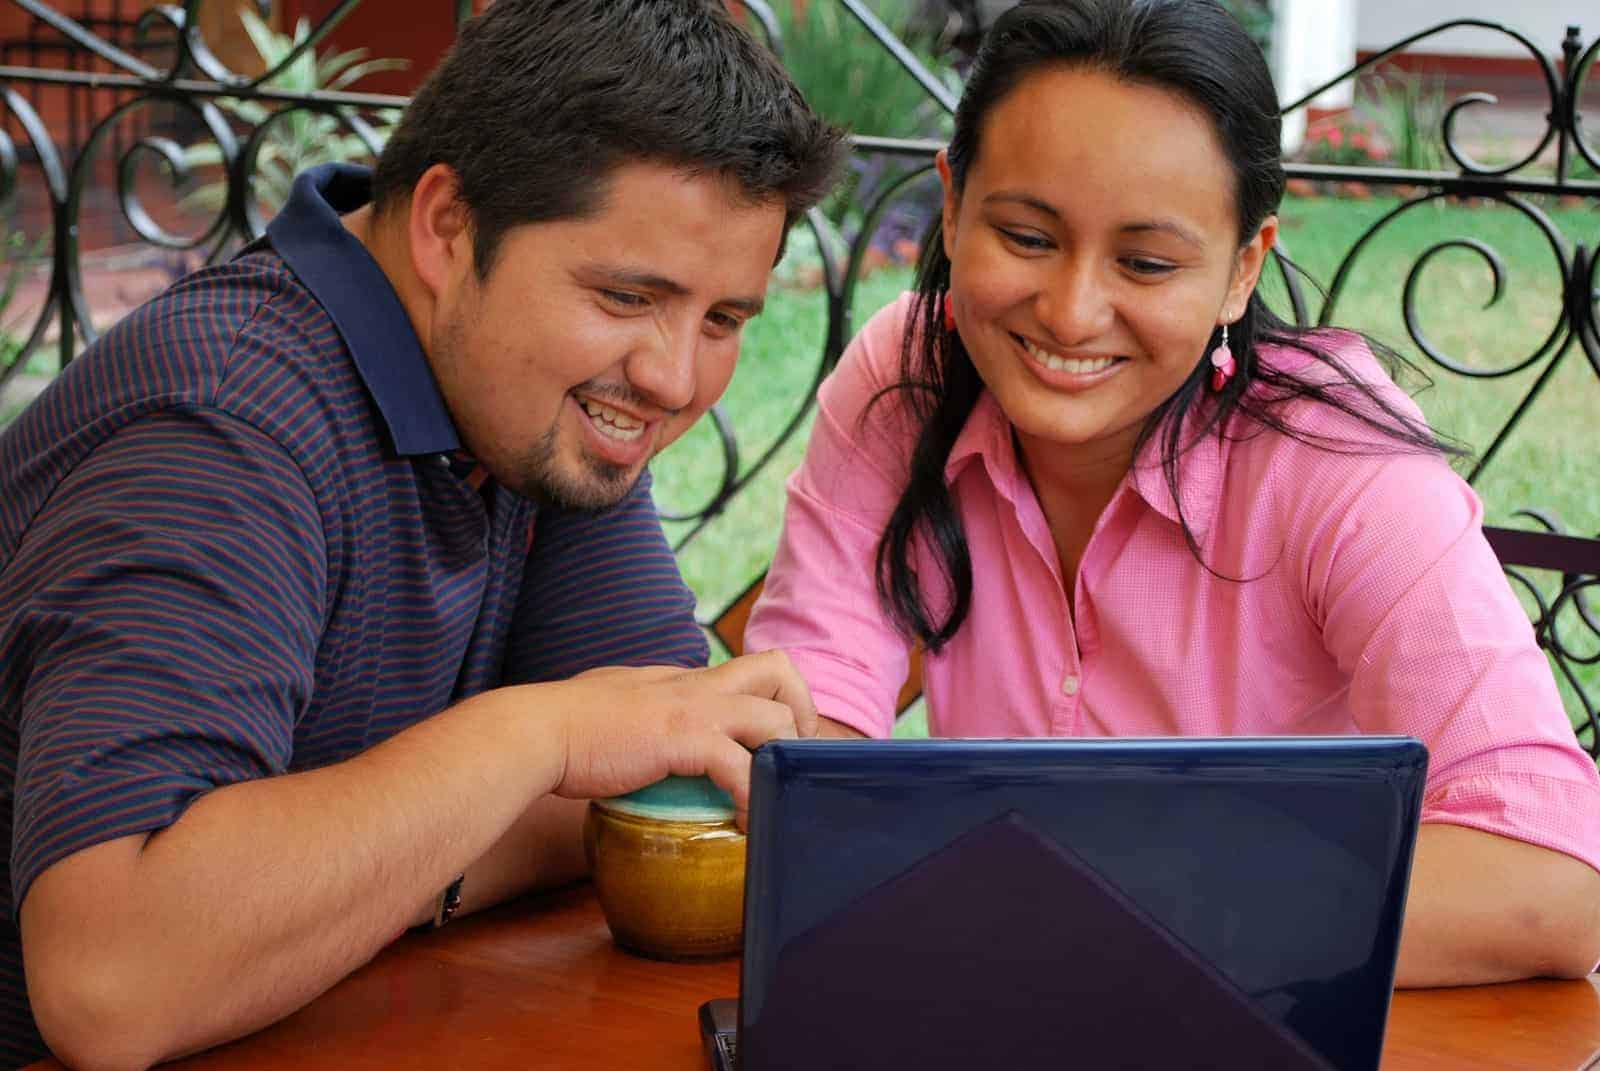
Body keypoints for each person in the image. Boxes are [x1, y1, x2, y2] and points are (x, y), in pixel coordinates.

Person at [0, 2, 846, 1067]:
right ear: (447, 225)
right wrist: (535, 740)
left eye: (723, 320)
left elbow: (651, 807)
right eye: (628, 295)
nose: (675, 380)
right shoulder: (222, 424)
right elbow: (113, 983)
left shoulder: (537, 410)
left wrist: (373, 867)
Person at [745, 0, 1600, 988]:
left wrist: (1089, 903)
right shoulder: (909, 372)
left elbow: (1554, 878)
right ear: (950, 201)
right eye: (1025, 237)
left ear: (1243, 267)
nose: (1069, 312)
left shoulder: (1339, 463)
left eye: (1146, 263)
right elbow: (800, 761)